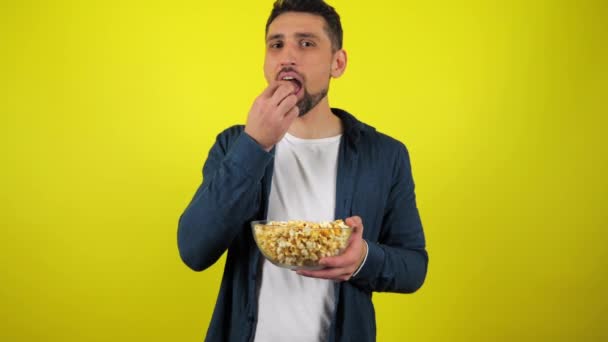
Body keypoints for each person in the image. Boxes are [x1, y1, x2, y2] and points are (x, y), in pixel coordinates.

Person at [177, 0, 428, 341]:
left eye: (306, 43)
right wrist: (256, 145)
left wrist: (363, 258)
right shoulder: (234, 144)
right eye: (276, 44)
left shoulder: (385, 154)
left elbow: (414, 268)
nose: (287, 56)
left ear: (337, 63)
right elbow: (194, 250)